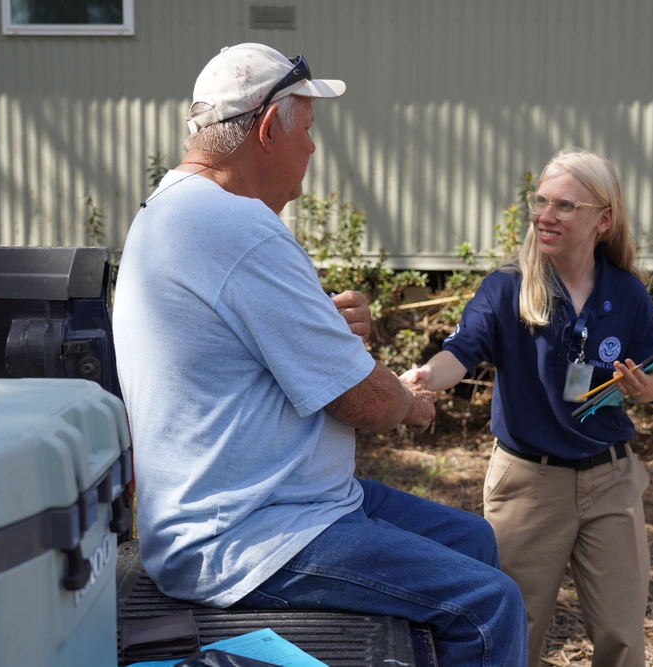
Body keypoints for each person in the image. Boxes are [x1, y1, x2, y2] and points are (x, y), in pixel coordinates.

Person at [112, 43, 527, 666]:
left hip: (261, 504)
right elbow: (362, 401)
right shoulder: (240, 229)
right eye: (306, 129)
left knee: (473, 539)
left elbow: (232, 344)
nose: (313, 148)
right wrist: (409, 402)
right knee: (490, 603)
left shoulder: (170, 209)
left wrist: (319, 328)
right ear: (266, 129)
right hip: (250, 532)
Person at [402, 148, 653, 667]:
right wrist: (424, 379)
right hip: (527, 482)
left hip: (611, 479)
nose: (544, 216)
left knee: (621, 634)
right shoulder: (507, 287)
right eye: (541, 201)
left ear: (603, 219)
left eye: (565, 206)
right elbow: (460, 353)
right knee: (513, 632)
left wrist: (644, 389)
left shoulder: (628, 294)